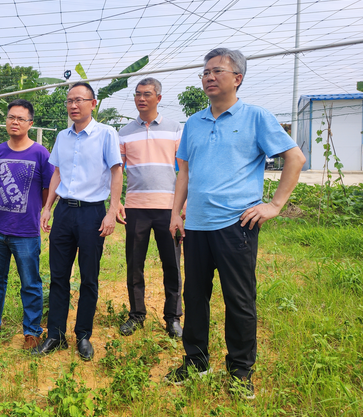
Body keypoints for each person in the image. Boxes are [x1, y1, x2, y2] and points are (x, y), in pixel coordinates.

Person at [165, 48, 305, 399]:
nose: (209, 77)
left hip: (236, 226)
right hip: (196, 225)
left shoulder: (256, 117)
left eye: (217, 71)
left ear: (237, 78)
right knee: (195, 297)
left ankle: (241, 371)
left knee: (239, 301)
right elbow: (183, 171)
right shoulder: (194, 122)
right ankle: (196, 362)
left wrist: (274, 205)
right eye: (205, 72)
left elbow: (295, 158)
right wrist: (175, 212)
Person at [32, 82, 123, 361]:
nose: (73, 105)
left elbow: (116, 173)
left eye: (79, 100)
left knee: (88, 277)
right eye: (70, 100)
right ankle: (55, 335)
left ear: (93, 103)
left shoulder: (107, 134)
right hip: (65, 213)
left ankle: (83, 334)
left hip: (92, 213)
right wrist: (48, 207)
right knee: (59, 276)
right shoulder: (62, 136)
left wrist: (111, 211)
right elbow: (57, 173)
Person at [0, 99, 54, 349]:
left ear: (30, 124)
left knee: (31, 283)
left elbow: (48, 189)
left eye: (21, 118)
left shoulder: (41, 154)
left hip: (26, 232)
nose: (15, 122)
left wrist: (43, 211)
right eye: (11, 117)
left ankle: (32, 331)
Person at [116, 77, 183, 339]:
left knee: (172, 265)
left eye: (147, 94)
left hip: (169, 209)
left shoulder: (176, 129)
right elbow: (117, 171)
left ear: (159, 98)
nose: (141, 98)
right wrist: (117, 201)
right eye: (137, 94)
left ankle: (173, 317)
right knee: (134, 263)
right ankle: (136, 315)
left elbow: (184, 169)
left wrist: (183, 204)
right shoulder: (124, 132)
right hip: (135, 207)